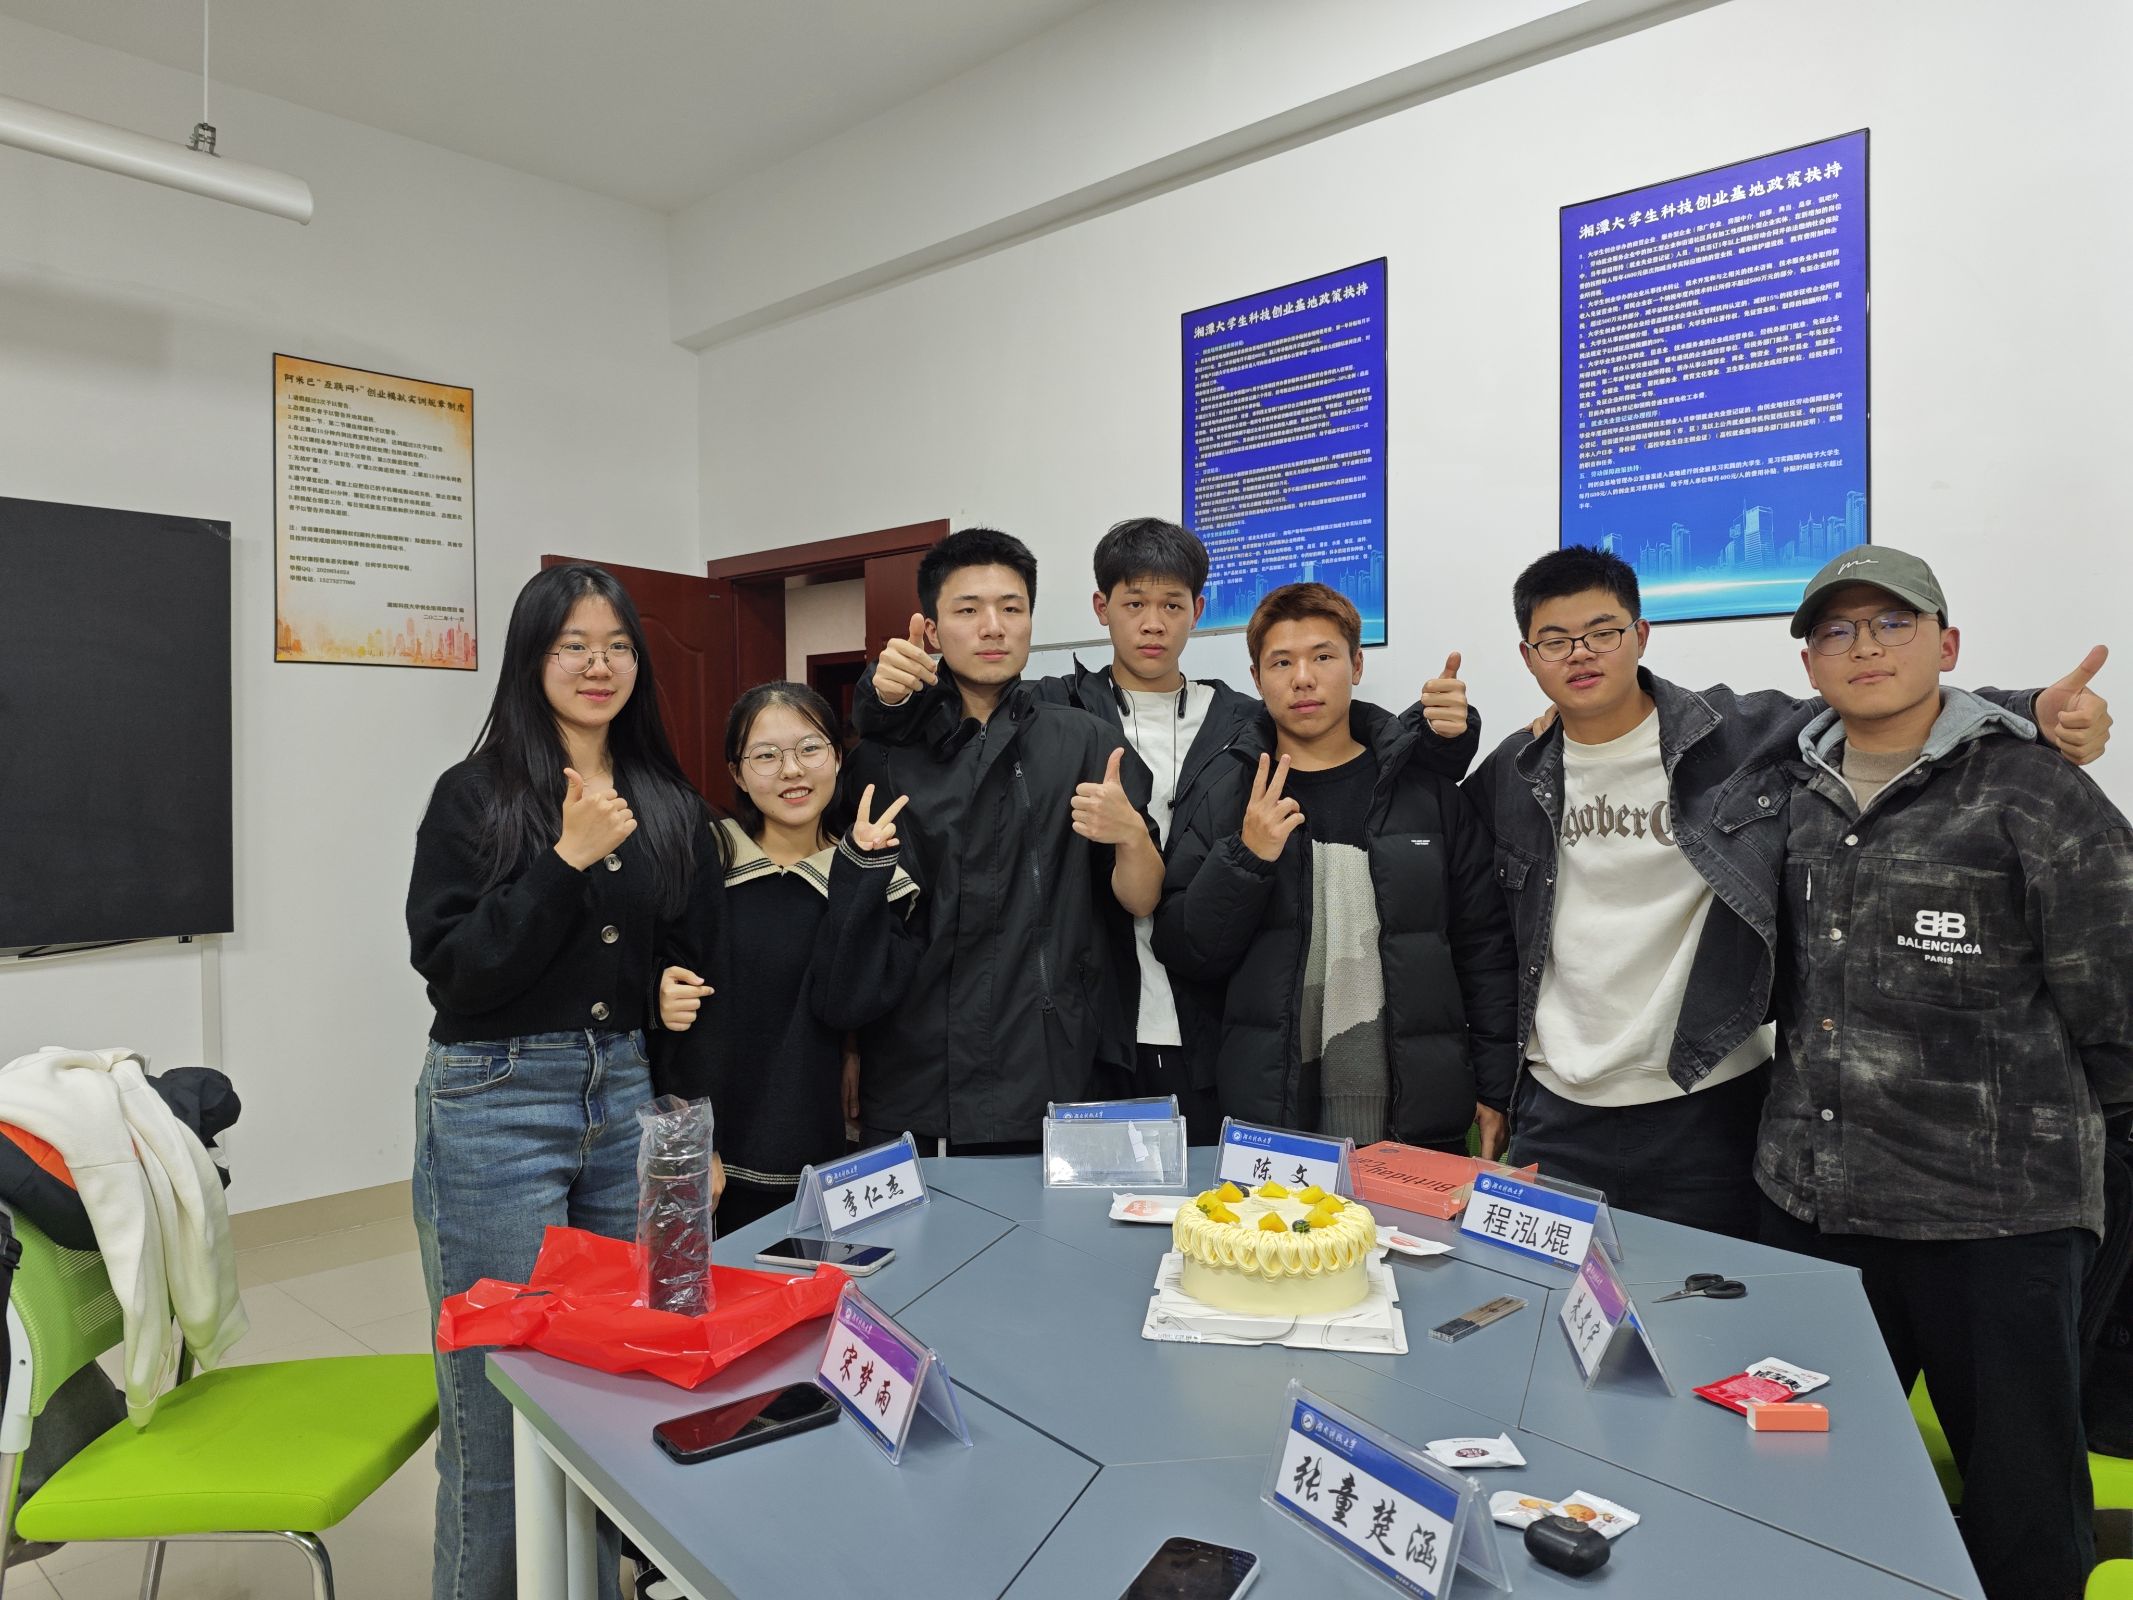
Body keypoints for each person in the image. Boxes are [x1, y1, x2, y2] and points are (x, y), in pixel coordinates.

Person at [1465, 546, 2112, 1237]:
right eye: (1555, 641)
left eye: (1603, 632)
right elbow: (1474, 917)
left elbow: (1878, 700)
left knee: (1707, 1298)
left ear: (1641, 634)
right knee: (1551, 1296)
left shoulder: (1737, 738)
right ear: (1528, 656)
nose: (1580, 654)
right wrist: (1441, 740)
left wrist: (2028, 709)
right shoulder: (1514, 771)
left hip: (1706, 1092)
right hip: (1554, 1104)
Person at [1753, 547, 2132, 1600]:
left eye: (1893, 623)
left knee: (2022, 1515)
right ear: (1809, 663)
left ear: (1947, 644)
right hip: (1814, 1204)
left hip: (1995, 1221)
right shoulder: (1787, 790)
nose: (1865, 647)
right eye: (1837, 630)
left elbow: (2116, 1000)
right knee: (1801, 1484)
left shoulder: (2036, 791)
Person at [858, 516, 1474, 1141]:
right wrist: (883, 694)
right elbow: (949, 719)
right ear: (1101, 609)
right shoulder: (1053, 708)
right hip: (1089, 1020)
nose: (1153, 623)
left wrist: (1449, 735)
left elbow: (1343, 735)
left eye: (1172, 605)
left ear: (1197, 611)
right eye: (1134, 604)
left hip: (1220, 1014)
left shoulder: (1244, 720)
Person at [406, 563, 719, 1600]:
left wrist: (684, 1101)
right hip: (496, 1100)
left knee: (616, 1376)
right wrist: (565, 860)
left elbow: (683, 971)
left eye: (618, 645)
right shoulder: (477, 793)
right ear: (531, 659)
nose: (599, 664)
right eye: (573, 645)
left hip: (627, 1092)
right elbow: (456, 969)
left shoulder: (667, 800)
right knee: (497, 1401)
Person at [1154, 583, 1516, 1154]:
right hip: (1274, 1113)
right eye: (1281, 662)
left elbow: (1485, 949)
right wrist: (1245, 857)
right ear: (1256, 678)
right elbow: (1186, 951)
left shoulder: (1425, 794)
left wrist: (1496, 1085)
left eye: (1323, 656)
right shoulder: (1227, 796)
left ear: (1357, 665)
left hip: (1415, 1113)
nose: (1303, 678)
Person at [840, 526, 1164, 1151]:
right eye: (968, 610)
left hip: (1049, 1063)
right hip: (914, 1068)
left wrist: (1130, 836)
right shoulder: (885, 756)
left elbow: (1142, 898)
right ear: (932, 631)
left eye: (1011, 609)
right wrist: (849, 1045)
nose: (993, 628)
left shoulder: (1085, 741)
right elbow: (854, 917)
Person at [652, 682, 921, 1231]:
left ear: (838, 756)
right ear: (737, 773)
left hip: (827, 1162)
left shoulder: (875, 871)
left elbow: (846, 1003)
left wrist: (859, 873)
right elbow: (658, 992)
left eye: (810, 748)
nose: (792, 770)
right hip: (712, 1162)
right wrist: (693, 1140)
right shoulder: (705, 858)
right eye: (766, 756)